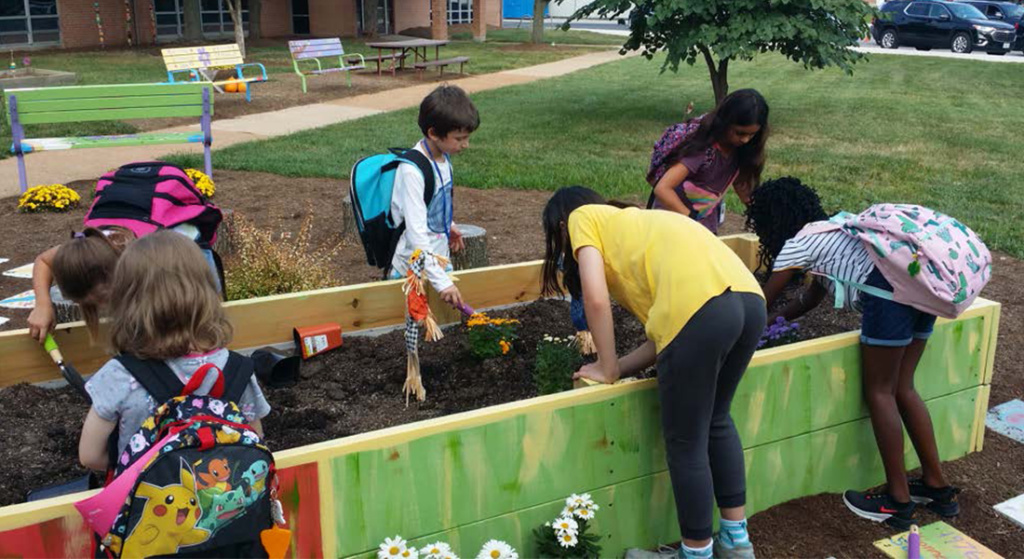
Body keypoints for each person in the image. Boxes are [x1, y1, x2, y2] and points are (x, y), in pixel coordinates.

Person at [542, 187, 766, 559]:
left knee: (686, 441)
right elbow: (670, 340)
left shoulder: (582, 218)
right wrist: (615, 369)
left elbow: (596, 299)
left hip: (705, 311)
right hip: (749, 300)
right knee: (717, 420)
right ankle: (736, 543)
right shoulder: (639, 231)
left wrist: (607, 364)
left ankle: (695, 553)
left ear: (562, 223)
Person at [746, 177, 960, 530]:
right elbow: (810, 298)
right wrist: (772, 323)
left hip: (887, 293)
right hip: (919, 283)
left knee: (880, 392)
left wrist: (753, 323)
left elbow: (758, 301)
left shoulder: (797, 245)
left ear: (772, 220)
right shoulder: (835, 228)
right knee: (904, 387)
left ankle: (897, 501)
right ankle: (938, 488)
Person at [78, 231, 270, 472]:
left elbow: (89, 456)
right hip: (221, 502)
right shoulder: (236, 369)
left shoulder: (119, 376)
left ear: (126, 301)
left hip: (149, 506)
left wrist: (131, 467)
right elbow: (255, 440)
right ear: (206, 292)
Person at [387, 84, 480, 309]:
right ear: (433, 133)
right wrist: (442, 283)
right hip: (411, 268)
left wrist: (449, 225)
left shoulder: (443, 158)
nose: (465, 145)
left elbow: (437, 202)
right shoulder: (412, 171)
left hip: (438, 261)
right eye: (459, 138)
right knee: (413, 327)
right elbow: (416, 235)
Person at [649, 89, 770, 234]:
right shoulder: (702, 149)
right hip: (671, 227)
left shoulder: (741, 150)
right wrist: (692, 221)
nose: (745, 139)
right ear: (725, 122)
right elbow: (663, 188)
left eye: (752, 134)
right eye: (740, 133)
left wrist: (764, 217)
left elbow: (742, 186)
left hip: (705, 229)